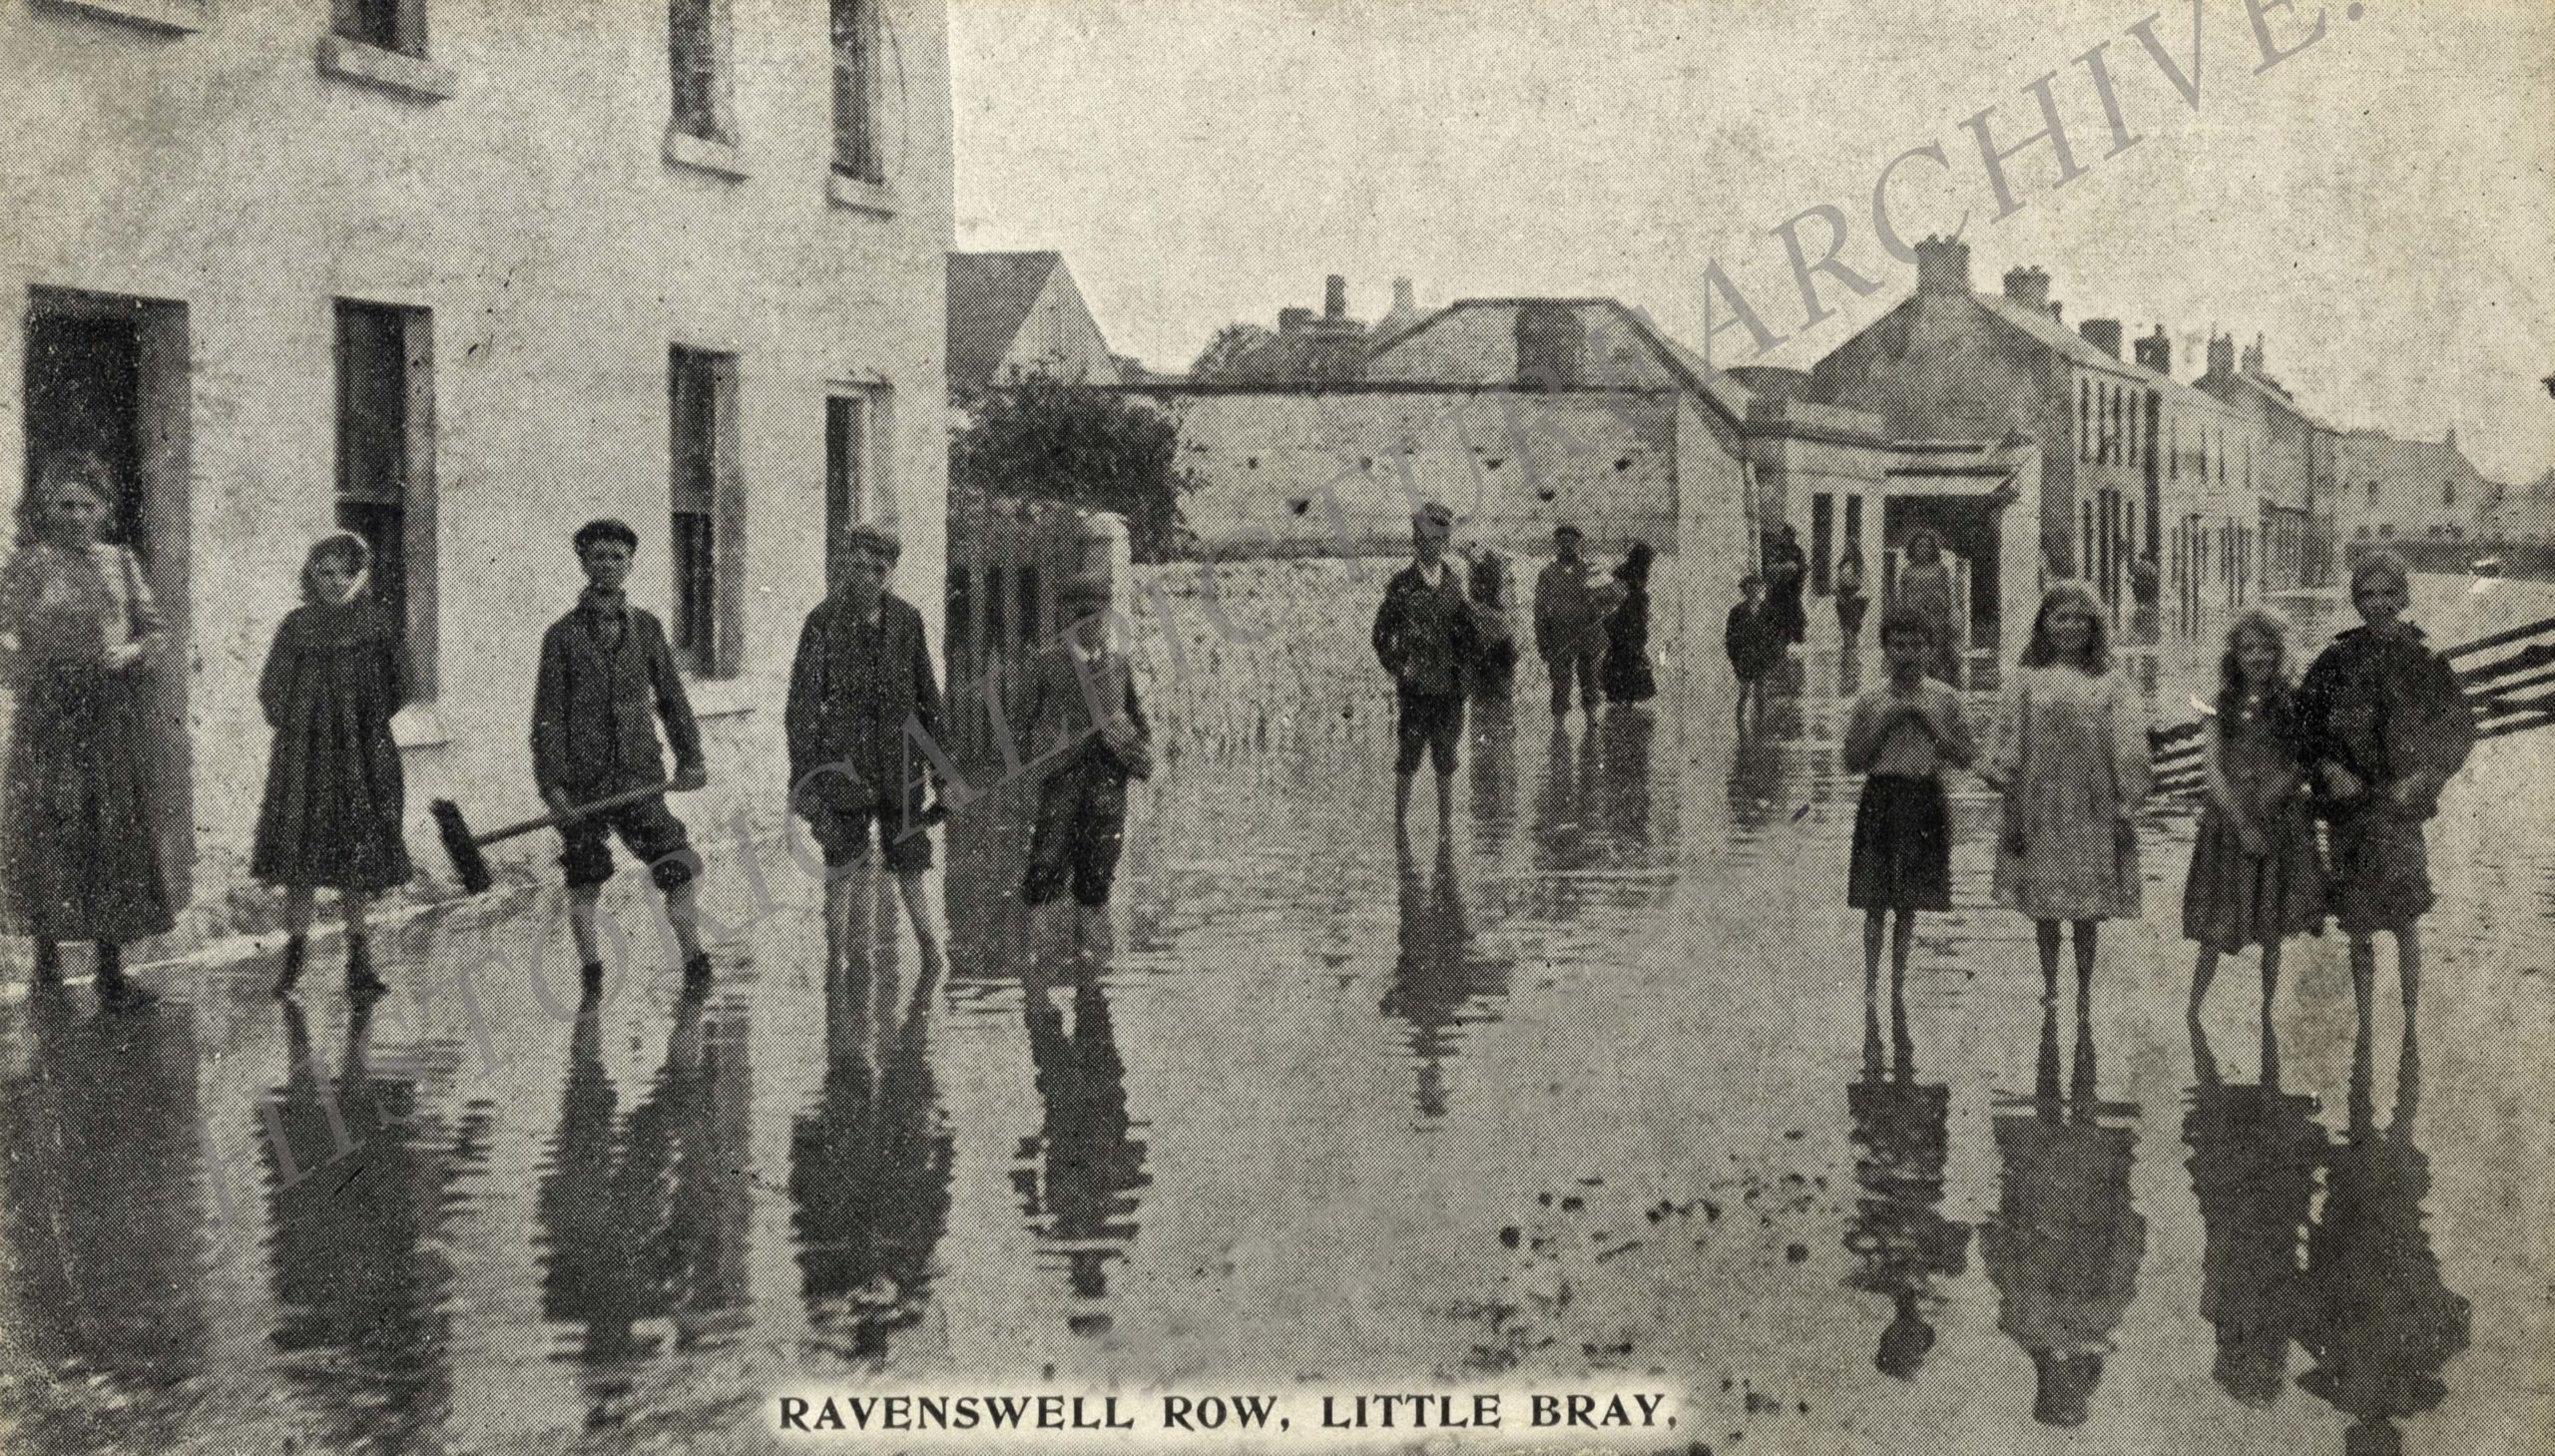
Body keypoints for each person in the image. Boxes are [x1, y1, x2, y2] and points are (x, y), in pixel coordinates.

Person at [0, 450, 174, 1009]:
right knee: (47, 824)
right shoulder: (29, 565)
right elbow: (3, 628)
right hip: (48, 710)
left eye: (86, 505)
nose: (75, 516)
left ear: (104, 510)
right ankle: (47, 966)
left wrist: (131, 652)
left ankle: (110, 970)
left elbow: (154, 631)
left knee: (110, 828)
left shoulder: (121, 563)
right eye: (64, 505)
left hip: (106, 709)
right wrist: (16, 657)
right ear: (48, 510)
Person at [2294, 549, 2475, 1025]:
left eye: (2388, 593)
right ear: (2356, 600)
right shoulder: (2336, 659)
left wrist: (2424, 777)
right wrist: (2327, 769)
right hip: (2349, 810)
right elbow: (2302, 725)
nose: (2378, 603)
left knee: (2405, 918)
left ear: (2404, 597)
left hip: (2399, 810)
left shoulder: (2424, 660)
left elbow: (2459, 728)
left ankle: (2411, 1022)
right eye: (2368, 595)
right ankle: (2365, 1024)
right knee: (2358, 923)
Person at [531, 518, 710, 996]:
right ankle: (592, 974)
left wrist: (690, 757)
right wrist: (553, 787)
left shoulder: (647, 628)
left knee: (676, 862)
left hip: (638, 776)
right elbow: (547, 718)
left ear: (630, 563)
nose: (608, 565)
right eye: (598, 557)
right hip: (583, 782)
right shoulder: (561, 636)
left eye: (618, 557)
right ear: (583, 563)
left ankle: (695, 959)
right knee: (585, 875)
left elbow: (672, 698)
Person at [256, 532, 415, 1000]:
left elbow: (400, 684)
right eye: (325, 572)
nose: (335, 582)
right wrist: (305, 722)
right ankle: (293, 961)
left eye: (346, 572)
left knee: (356, 859)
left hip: (361, 756)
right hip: (304, 760)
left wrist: (358, 721)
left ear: (360, 576)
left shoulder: (377, 624)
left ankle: (359, 964)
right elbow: (272, 688)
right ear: (312, 575)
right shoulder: (296, 626)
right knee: (300, 861)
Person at [1984, 583, 2153, 1008]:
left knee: (2085, 906)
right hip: (2039, 804)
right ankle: (2050, 984)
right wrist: (2005, 783)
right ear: (2044, 624)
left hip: (2092, 806)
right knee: (2044, 904)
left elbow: (2129, 745)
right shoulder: (2025, 680)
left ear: (2094, 626)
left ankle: (2083, 987)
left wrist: (2127, 800)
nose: (2071, 626)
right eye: (2061, 618)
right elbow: (2007, 738)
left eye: (2081, 619)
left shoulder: (2111, 682)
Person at [786, 522, 948, 959]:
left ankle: (931, 955)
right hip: (844, 769)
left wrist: (944, 776)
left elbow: (929, 700)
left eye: (879, 569)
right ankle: (835, 964)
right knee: (842, 866)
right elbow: (801, 710)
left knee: (911, 864)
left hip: (900, 768)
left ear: (891, 572)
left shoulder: (907, 620)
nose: (868, 578)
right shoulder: (822, 622)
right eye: (859, 567)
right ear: (846, 566)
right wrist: (804, 783)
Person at [2183, 609, 2325, 1017]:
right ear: (2234, 654)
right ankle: (2193, 1011)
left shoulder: (2294, 702)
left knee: (2272, 922)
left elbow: (2302, 761)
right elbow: (2212, 768)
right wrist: (2242, 820)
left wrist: (2271, 797)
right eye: (2248, 649)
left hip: (2280, 819)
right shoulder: (2217, 704)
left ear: (2279, 652)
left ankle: (2266, 1012)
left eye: (2267, 648)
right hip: (2229, 821)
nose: (2258, 657)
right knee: (2217, 922)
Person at [1845, 608, 1976, 985]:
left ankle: (1897, 985)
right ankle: (1871, 987)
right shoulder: (1870, 700)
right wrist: (1885, 723)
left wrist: (1929, 724)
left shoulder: (1946, 699)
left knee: (1909, 903)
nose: (1908, 655)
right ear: (1885, 650)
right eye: (1898, 646)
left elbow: (1966, 757)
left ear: (1930, 650)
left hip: (1925, 797)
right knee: (1874, 901)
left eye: (1917, 646)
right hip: (1880, 797)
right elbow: (1852, 760)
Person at [1015, 572, 1152, 924]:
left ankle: (1089, 955)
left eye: (1098, 615)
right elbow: (1021, 728)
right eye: (1082, 616)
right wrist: (1041, 767)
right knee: (1044, 878)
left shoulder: (1118, 664)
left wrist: (1136, 750)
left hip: (1108, 788)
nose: (1091, 624)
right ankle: (1040, 955)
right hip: (1062, 785)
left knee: (1097, 882)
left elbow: (1137, 717)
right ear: (1066, 619)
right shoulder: (1046, 663)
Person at [1373, 502, 1475, 827]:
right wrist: (1398, 666)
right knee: (1408, 758)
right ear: (1415, 540)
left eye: (1438, 539)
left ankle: (1445, 830)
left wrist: (1463, 681)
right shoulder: (1402, 584)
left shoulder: (1453, 584)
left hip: (1447, 691)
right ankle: (1399, 828)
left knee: (1446, 760)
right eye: (1424, 538)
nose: (1431, 545)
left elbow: (1468, 639)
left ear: (1445, 542)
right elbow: (1380, 634)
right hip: (1414, 690)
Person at [1533, 523, 1606, 721]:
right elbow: (1539, 610)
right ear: (1557, 544)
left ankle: (1591, 723)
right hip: (1559, 636)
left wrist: (1600, 631)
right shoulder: (1547, 573)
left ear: (1578, 544)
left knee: (1590, 682)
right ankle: (1558, 728)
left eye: (1572, 542)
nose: (1568, 546)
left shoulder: (1590, 569)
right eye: (1563, 542)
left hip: (1587, 636)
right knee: (1559, 683)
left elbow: (1609, 599)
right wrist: (1543, 642)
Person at [1895, 529, 1960, 686]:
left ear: (1932, 549)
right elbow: (1903, 598)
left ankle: (1937, 685)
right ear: (1913, 548)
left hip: (1936, 620)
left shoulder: (1940, 570)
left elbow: (1949, 596)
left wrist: (1949, 615)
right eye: (1919, 546)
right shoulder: (1907, 571)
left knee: (1936, 654)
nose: (1922, 549)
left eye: (1926, 546)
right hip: (1914, 620)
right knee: (1916, 652)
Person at [1599, 541, 1658, 706]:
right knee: (1627, 658)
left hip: (1630, 622)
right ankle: (1625, 698)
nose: (1650, 564)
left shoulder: (1633, 571)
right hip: (1624, 622)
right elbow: (1615, 598)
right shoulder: (1628, 573)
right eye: (1648, 559)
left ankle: (1623, 697)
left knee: (1625, 658)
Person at [1724, 573, 1783, 731]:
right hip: (1744, 658)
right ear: (1745, 591)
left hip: (1762, 658)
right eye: (1751, 589)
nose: (1755, 592)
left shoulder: (1768, 611)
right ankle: (1740, 727)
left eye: (1758, 588)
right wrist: (1735, 658)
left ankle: (1760, 728)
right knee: (1744, 693)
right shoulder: (1737, 612)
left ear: (1762, 590)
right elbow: (1730, 637)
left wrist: (1772, 656)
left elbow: (1776, 636)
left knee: (1761, 694)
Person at [1462, 549, 1519, 705]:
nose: (1482, 587)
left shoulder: (1491, 614)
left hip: (1493, 677)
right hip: (1489, 678)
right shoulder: (1478, 612)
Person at [1763, 522, 1808, 647]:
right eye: (1785, 535)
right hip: (1777, 589)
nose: (1787, 538)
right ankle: (1776, 637)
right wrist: (1783, 568)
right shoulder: (1776, 550)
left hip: (1792, 588)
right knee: (1775, 614)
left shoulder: (1797, 551)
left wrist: (1796, 570)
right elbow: (1769, 568)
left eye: (1790, 535)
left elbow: (1802, 568)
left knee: (1793, 611)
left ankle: (1793, 635)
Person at [1834, 543, 1869, 651]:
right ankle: (1847, 645)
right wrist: (1839, 594)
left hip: (1856, 596)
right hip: (1844, 594)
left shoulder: (1860, 566)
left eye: (1849, 549)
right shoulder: (1843, 565)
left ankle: (1852, 646)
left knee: (1854, 623)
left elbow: (1864, 583)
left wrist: (1856, 595)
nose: (1847, 552)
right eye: (1846, 549)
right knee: (1845, 622)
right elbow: (1838, 581)